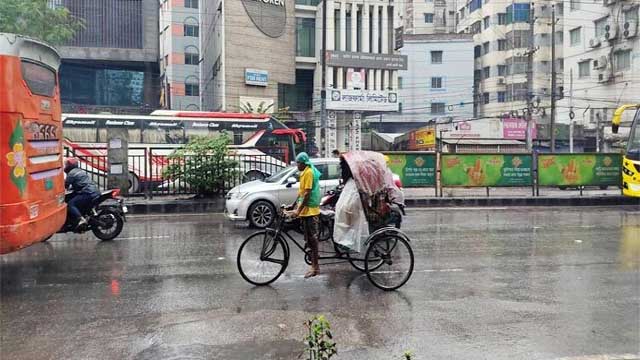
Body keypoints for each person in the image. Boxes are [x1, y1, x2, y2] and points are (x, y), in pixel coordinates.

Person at [287, 152, 322, 278]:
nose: (297, 166)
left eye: (298, 163)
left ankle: (316, 267)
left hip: (311, 211)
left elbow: (307, 194)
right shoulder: (304, 172)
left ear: (303, 163)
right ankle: (313, 262)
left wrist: (298, 210)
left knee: (313, 239)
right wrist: (293, 205)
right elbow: (302, 193)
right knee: (308, 239)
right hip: (306, 210)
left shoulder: (308, 173)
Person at [333, 156, 368, 252]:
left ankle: (349, 241)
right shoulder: (351, 182)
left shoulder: (353, 183)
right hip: (351, 202)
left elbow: (351, 202)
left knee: (346, 217)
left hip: (353, 205)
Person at [64, 158, 100, 229]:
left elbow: (65, 186)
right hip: (94, 191)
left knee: (71, 204)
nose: (66, 166)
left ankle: (81, 219)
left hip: (87, 193)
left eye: (67, 165)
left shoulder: (71, 174)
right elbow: (80, 183)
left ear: (70, 166)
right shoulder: (81, 171)